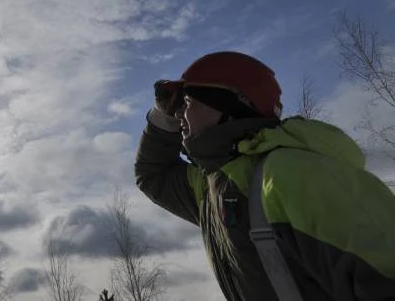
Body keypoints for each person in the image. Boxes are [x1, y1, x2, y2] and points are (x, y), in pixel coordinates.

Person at [134, 50, 395, 300]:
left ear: (228, 108)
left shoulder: (294, 172)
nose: (179, 113)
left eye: (187, 102)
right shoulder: (214, 186)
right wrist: (162, 114)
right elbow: (153, 174)